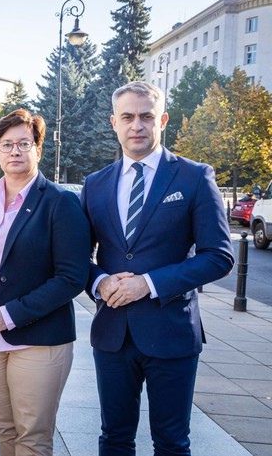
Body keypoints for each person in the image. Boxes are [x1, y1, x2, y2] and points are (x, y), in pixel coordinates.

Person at [81, 81, 234, 455]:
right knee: (114, 438)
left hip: (172, 331)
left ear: (162, 120)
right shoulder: (95, 184)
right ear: (114, 123)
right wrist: (101, 282)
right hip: (113, 333)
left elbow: (219, 256)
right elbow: (76, 260)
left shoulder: (194, 177)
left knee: (171, 442)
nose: (137, 125)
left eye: (146, 116)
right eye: (127, 117)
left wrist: (147, 283)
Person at [0, 108, 90, 455]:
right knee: (4, 430)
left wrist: (10, 314)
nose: (15, 151)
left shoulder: (60, 203)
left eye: (24, 143)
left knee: (32, 436)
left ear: (38, 149)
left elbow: (72, 277)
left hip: (38, 339)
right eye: (7, 144)